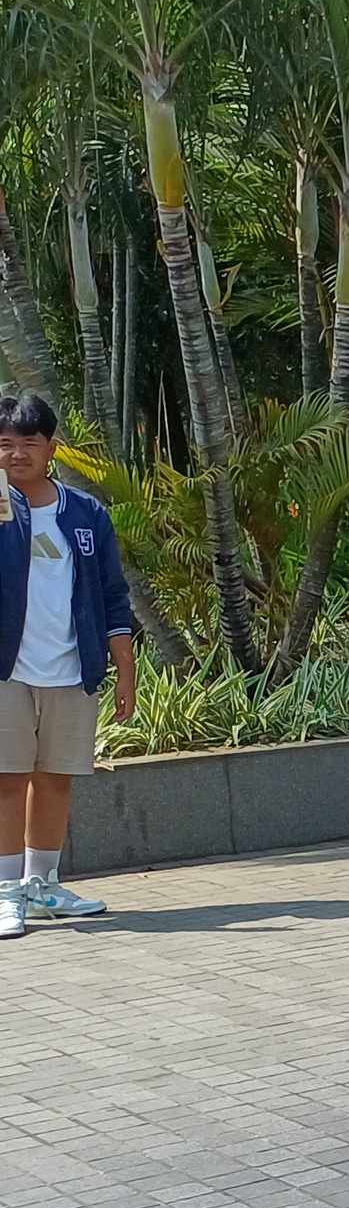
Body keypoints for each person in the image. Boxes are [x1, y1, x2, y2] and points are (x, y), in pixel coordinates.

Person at [0, 395, 136, 933]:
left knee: (55, 779)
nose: (16, 455)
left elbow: (112, 596)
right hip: (7, 670)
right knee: (7, 780)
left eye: (28, 444)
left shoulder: (85, 513)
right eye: (5, 444)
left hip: (71, 669)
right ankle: (7, 892)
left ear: (52, 448)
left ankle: (43, 886)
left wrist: (123, 670)